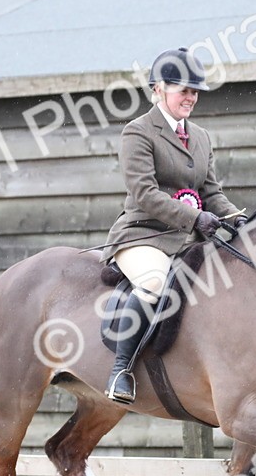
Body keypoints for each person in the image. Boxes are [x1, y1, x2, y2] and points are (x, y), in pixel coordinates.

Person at [101, 47, 247, 403]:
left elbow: (211, 191)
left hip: (188, 238)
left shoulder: (200, 136)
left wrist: (237, 218)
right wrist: (195, 217)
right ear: (157, 89)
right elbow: (145, 192)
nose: (191, 96)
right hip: (143, 234)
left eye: (194, 91)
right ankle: (120, 369)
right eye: (183, 89)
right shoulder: (137, 132)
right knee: (153, 284)